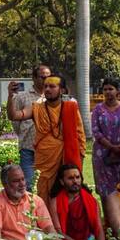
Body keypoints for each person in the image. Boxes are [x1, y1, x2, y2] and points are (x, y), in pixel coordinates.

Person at [7, 75, 86, 203]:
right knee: (44, 194)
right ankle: (46, 221)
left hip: (67, 158)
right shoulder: (36, 108)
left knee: (68, 195)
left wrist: (79, 161)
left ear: (62, 90)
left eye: (52, 86)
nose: (47, 89)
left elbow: (80, 137)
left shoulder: (70, 108)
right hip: (45, 160)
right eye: (46, 86)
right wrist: (11, 96)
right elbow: (14, 115)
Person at [0, 164, 57, 240]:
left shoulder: (35, 200)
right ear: (5, 184)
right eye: (16, 181)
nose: (22, 184)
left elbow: (49, 228)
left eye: (23, 179)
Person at [48, 164, 105, 240]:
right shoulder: (55, 201)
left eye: (77, 177)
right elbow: (58, 232)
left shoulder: (91, 201)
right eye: (70, 178)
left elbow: (99, 228)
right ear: (62, 181)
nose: (75, 181)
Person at [8, 64, 51, 190]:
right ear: (34, 78)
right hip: (28, 148)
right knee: (29, 186)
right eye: (42, 77)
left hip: (48, 150)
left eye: (49, 77)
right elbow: (15, 122)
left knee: (47, 187)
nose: (46, 80)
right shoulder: (22, 97)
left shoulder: (53, 97)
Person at [91, 78, 120, 207]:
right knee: (104, 188)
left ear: (117, 91)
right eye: (105, 89)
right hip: (102, 155)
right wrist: (111, 147)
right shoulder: (98, 109)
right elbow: (95, 130)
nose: (108, 92)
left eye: (111, 89)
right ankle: (108, 220)